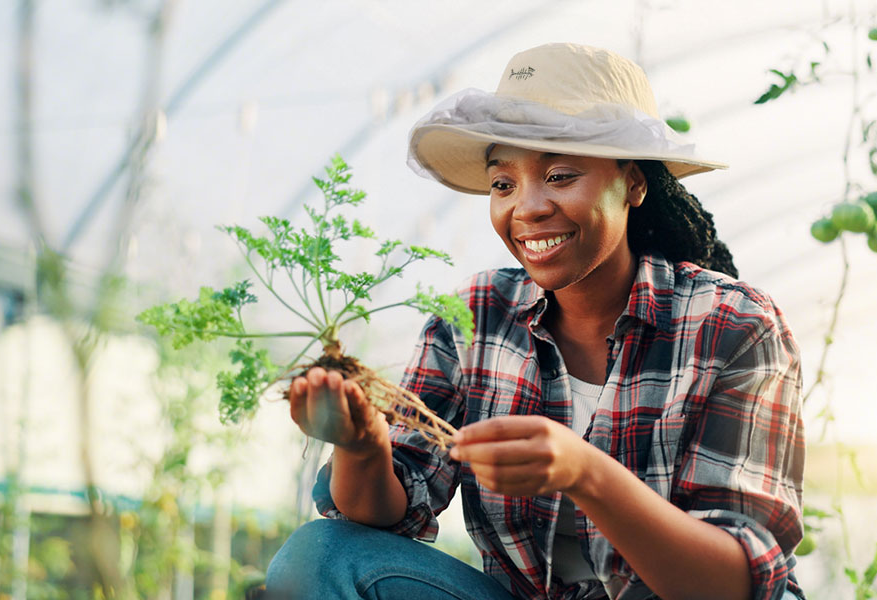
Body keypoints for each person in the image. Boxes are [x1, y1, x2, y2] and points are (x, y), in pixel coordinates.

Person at [264, 43, 805, 600]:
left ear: (635, 183)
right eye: (503, 184)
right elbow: (385, 513)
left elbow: (734, 585)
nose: (527, 208)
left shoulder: (733, 326)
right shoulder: (476, 318)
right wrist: (360, 445)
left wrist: (583, 472)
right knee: (320, 556)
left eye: (561, 175)